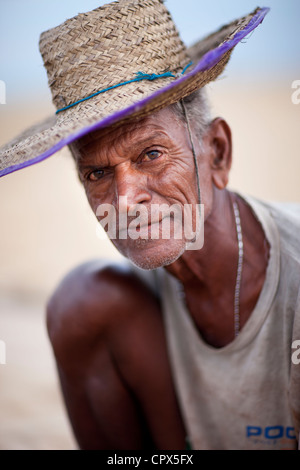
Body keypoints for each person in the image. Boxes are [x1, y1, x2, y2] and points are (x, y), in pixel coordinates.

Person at [0, 0, 299, 451]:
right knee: (82, 299)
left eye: (151, 154)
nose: (125, 200)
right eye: (97, 173)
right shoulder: (120, 305)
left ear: (217, 152)